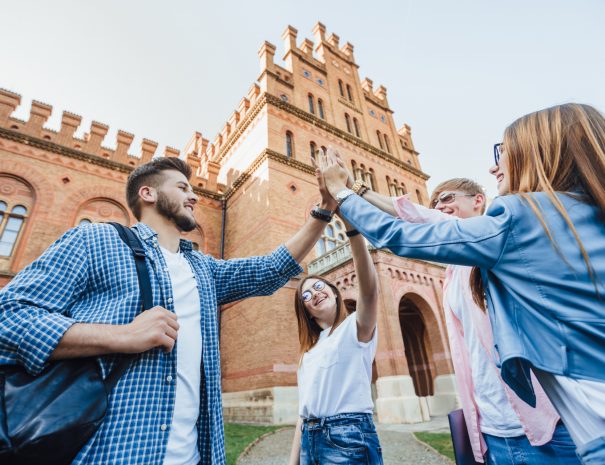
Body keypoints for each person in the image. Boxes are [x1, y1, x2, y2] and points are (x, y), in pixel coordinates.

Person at [0, 156, 338, 465]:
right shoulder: (96, 240)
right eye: (182, 188)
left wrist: (324, 209)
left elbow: (271, 269)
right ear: (147, 193)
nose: (194, 196)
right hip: (110, 454)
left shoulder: (203, 268)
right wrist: (122, 336)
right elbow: (10, 317)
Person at [318, 103, 605, 465]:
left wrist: (340, 194)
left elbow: (403, 233)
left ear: (542, 154)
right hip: (503, 424)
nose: (492, 166)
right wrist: (359, 189)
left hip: (572, 431)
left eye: (503, 153)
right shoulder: (581, 214)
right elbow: (425, 218)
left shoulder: (520, 217)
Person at [335, 170, 578, 464]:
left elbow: (422, 221)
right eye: (435, 201)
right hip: (493, 430)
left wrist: (352, 190)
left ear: (479, 201)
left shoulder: (499, 237)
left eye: (447, 198)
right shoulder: (453, 272)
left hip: (544, 427)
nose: (439, 206)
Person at [287, 166, 382, 465]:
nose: (314, 293)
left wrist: (352, 230)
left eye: (319, 286)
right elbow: (303, 412)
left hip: (348, 437)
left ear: (334, 291)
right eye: (306, 295)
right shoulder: (307, 352)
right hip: (310, 439)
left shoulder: (356, 328)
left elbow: (368, 291)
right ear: (308, 312)